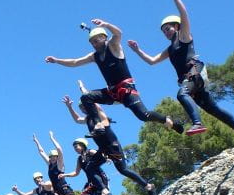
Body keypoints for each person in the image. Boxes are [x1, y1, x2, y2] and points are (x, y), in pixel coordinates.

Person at [127, 0, 234, 146]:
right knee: (212, 109)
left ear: (177, 26)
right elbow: (152, 61)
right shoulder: (170, 49)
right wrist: (137, 50)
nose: (166, 32)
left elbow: (184, 14)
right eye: (164, 31)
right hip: (191, 79)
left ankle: (197, 123)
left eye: (168, 28)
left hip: (195, 72)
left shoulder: (184, 36)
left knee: (182, 94)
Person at [46, 19, 182, 134]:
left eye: (96, 41)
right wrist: (57, 60)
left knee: (144, 116)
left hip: (127, 91)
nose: (94, 44)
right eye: (92, 43)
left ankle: (168, 120)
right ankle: (98, 124)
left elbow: (118, 33)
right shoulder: (94, 56)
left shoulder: (113, 46)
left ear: (104, 38)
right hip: (112, 92)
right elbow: (75, 62)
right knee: (86, 97)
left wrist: (105, 24)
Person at [63, 94, 158, 195]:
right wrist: (69, 107)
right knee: (90, 167)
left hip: (113, 148)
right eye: (81, 108)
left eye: (84, 106)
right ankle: (104, 190)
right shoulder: (88, 119)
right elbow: (77, 119)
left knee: (123, 170)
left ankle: (148, 186)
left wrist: (86, 94)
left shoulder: (100, 116)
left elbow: (97, 106)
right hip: (103, 150)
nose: (83, 109)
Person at [33, 132, 104, 195]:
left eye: (54, 157)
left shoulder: (60, 165)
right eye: (51, 157)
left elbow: (59, 149)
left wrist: (52, 138)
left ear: (57, 157)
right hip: (59, 193)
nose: (52, 158)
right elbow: (42, 152)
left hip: (66, 191)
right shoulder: (50, 165)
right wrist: (36, 142)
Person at [61, 139, 125, 195]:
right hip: (92, 182)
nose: (75, 149)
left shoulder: (90, 152)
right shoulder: (79, 159)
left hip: (101, 179)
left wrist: (108, 158)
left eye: (76, 147)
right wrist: (65, 175)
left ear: (82, 145)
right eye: (74, 148)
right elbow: (76, 172)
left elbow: (101, 155)